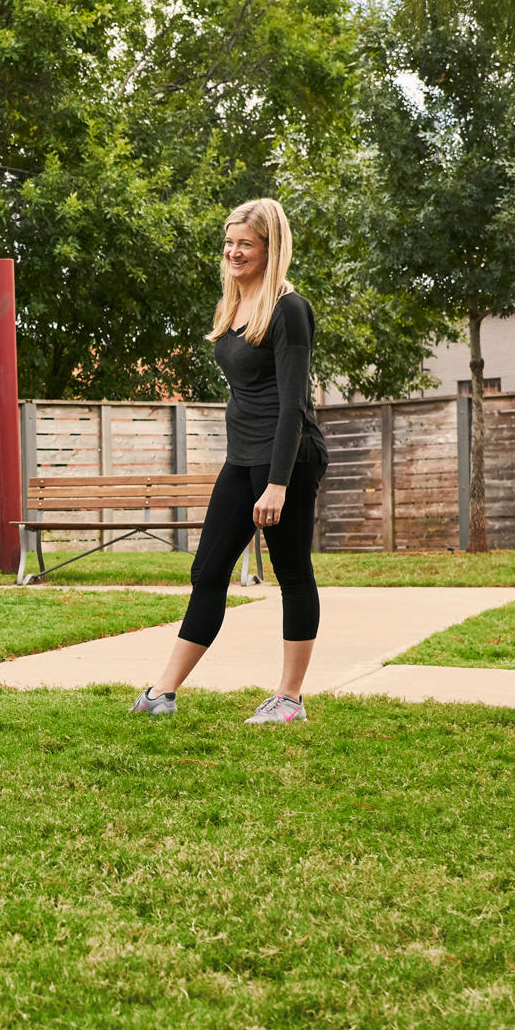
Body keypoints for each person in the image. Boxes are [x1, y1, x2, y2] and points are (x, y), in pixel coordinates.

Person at [132, 198, 327, 723]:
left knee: (291, 571)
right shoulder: (235, 305)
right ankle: (162, 693)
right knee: (209, 569)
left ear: (270, 248)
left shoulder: (289, 308)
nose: (233, 251)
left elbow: (293, 405)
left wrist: (279, 484)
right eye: (229, 241)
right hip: (242, 457)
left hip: (285, 460)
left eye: (246, 243)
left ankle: (289, 700)